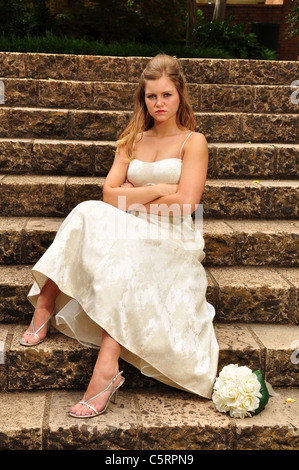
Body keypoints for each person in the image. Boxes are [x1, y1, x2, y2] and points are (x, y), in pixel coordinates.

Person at [20, 54, 219, 418]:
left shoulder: (193, 141)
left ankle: (106, 371)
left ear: (180, 96)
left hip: (172, 233)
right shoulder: (131, 139)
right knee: (85, 210)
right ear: (142, 99)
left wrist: (132, 199)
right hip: (128, 221)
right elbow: (107, 196)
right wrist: (158, 188)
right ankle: (45, 304)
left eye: (166, 95)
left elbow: (187, 203)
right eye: (151, 97)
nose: (158, 104)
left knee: (132, 250)